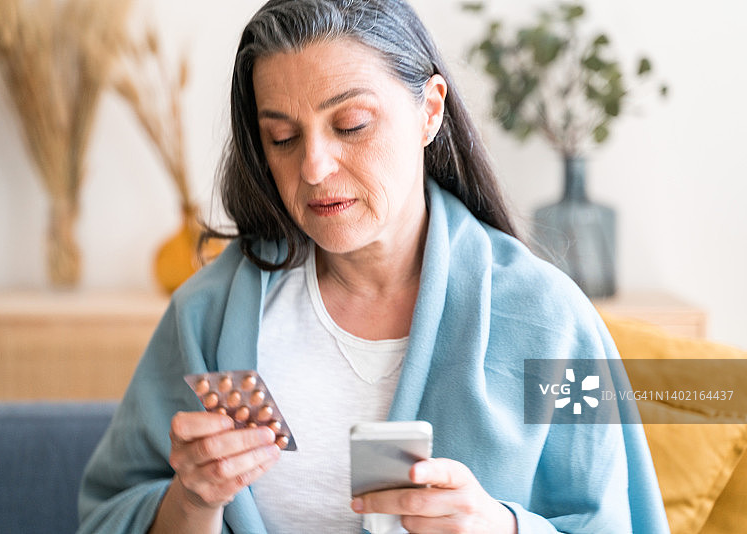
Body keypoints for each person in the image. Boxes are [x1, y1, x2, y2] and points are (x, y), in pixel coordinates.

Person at [78, 1, 670, 533]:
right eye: (282, 138)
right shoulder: (207, 315)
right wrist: (191, 502)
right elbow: (107, 514)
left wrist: (499, 528)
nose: (313, 167)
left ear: (429, 112)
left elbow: (618, 519)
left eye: (351, 126)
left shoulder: (549, 322)